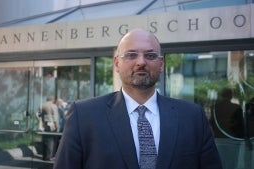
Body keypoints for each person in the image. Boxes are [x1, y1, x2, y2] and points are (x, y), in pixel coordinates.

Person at [53, 29, 222, 169]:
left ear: (161, 64)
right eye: (131, 55)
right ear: (117, 63)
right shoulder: (84, 116)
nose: (141, 62)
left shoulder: (192, 117)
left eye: (150, 56)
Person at [41, 96, 59, 161]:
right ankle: (50, 156)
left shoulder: (42, 105)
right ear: (52, 99)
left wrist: (42, 121)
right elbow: (55, 117)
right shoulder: (53, 106)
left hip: (45, 125)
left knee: (45, 141)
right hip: (52, 126)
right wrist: (57, 126)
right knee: (52, 142)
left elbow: (37, 114)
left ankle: (45, 156)